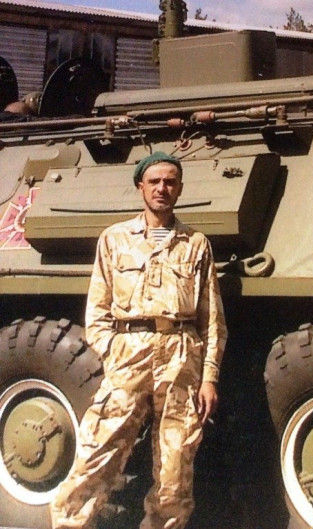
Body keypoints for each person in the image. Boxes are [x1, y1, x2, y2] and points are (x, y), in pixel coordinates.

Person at [50, 151, 227, 529]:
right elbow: (97, 313)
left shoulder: (196, 244)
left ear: (180, 189)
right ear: (140, 187)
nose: (162, 188)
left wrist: (209, 376)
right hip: (128, 355)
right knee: (98, 452)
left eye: (170, 182)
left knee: (175, 468)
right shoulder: (114, 239)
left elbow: (212, 319)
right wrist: (114, 352)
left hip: (181, 358)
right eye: (154, 181)